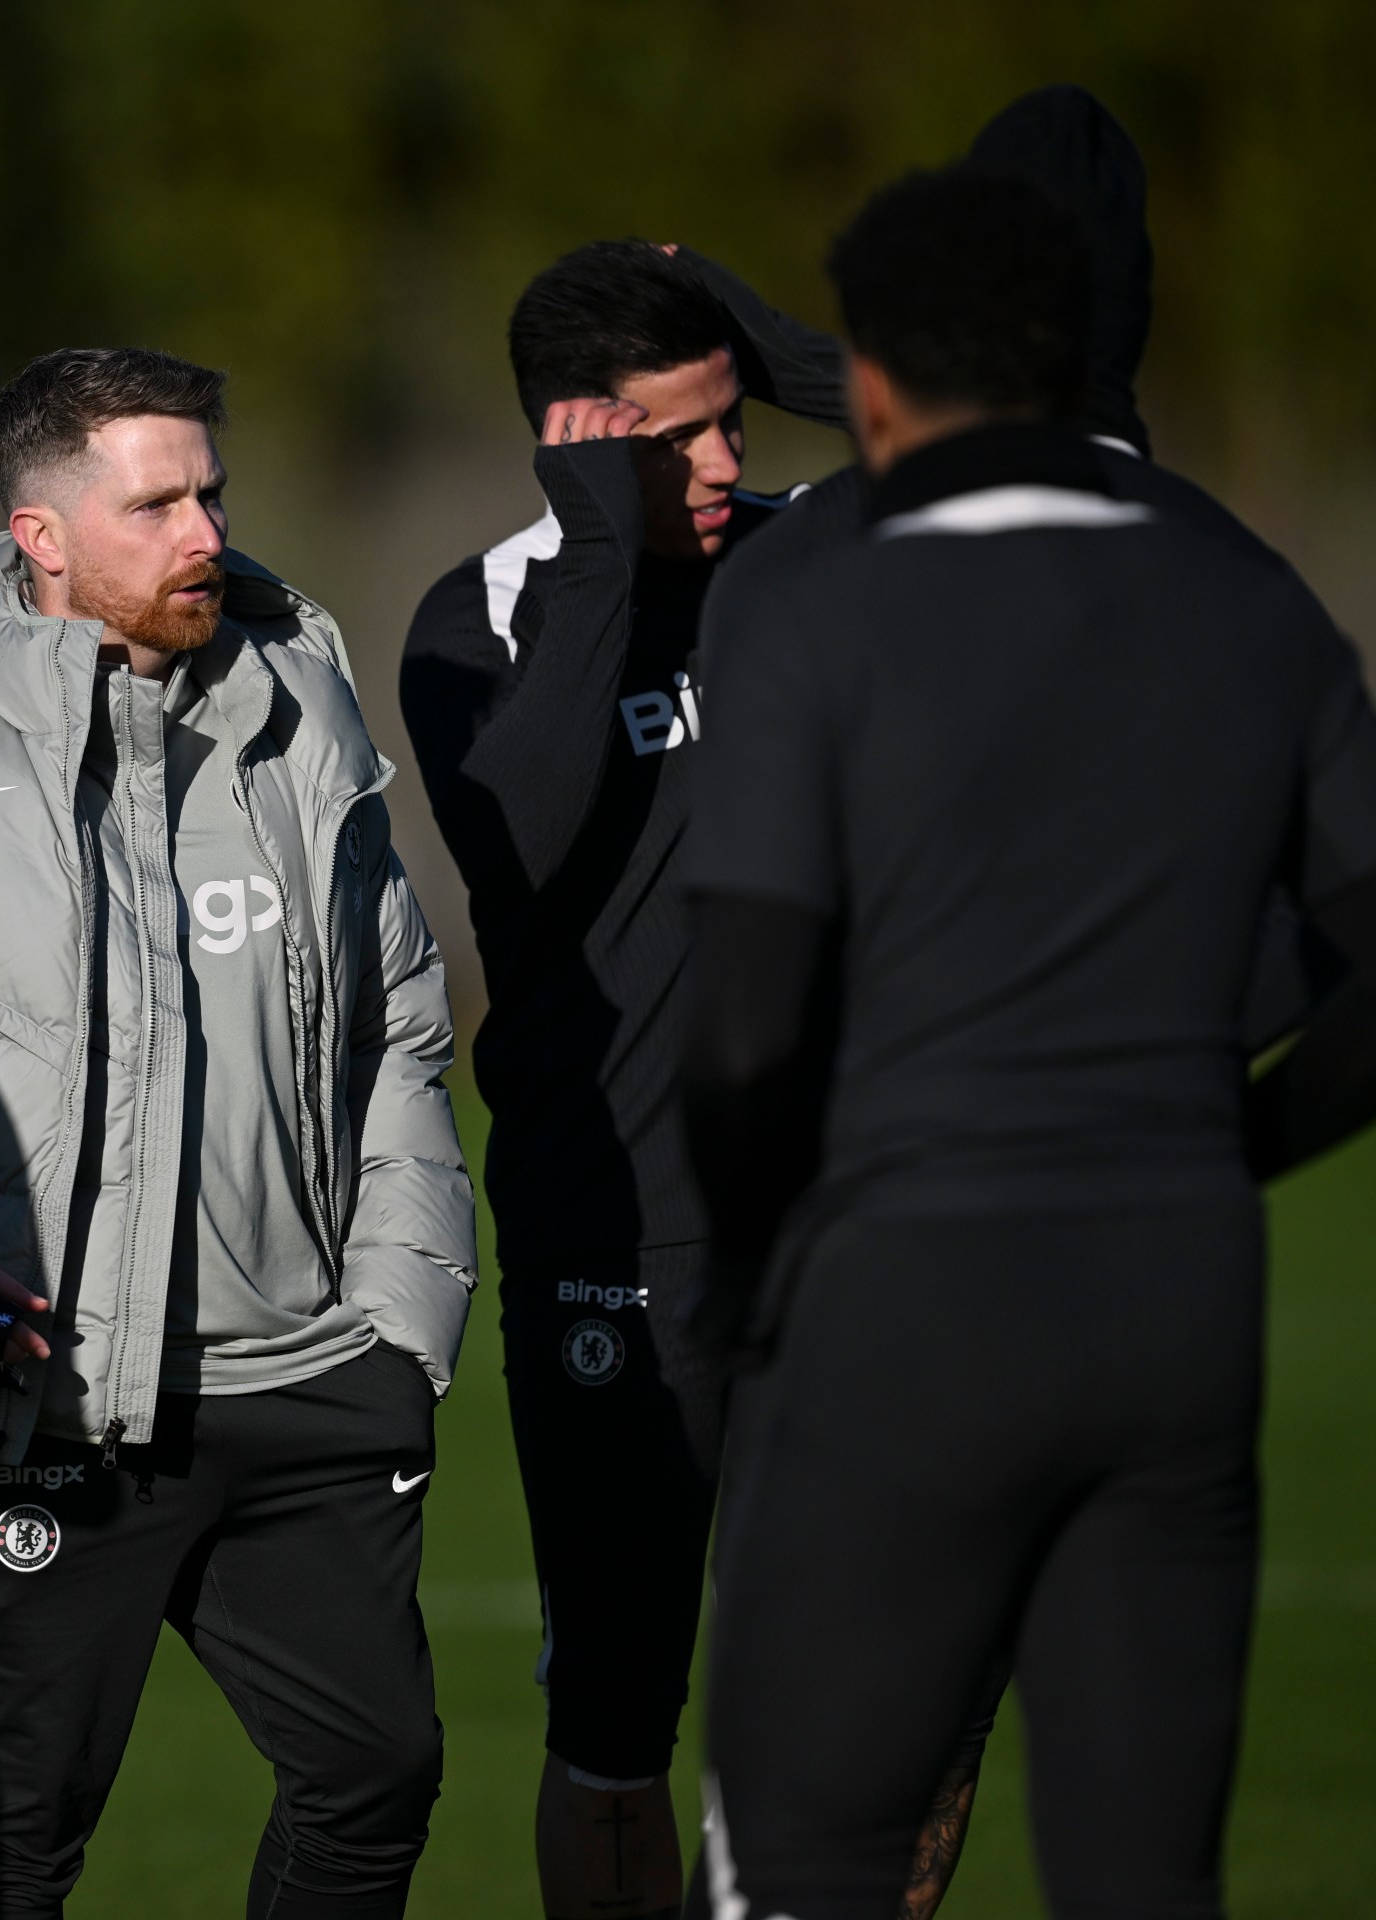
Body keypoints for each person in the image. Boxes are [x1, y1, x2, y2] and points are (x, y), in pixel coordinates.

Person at [682, 164, 1376, 1919]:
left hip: (909, 1291)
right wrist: (1224, 1150)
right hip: (1176, 1298)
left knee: (804, 1860)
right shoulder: (1247, 595)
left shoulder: (812, 603)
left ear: (867, 384)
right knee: (1144, 1877)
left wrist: (760, 1278)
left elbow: (746, 1025)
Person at [0, 346, 477, 1918]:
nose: (206, 534)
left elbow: (396, 1022)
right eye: (156, 505)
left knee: (376, 1781)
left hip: (309, 1382)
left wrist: (400, 1315)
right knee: (11, 1849)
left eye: (211, 494)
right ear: (40, 538)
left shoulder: (300, 719)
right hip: (43, 1401)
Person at [396, 239, 848, 1917]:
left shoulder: (815, 557)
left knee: (867, 1720)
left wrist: (763, 330)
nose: (725, 462)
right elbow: (517, 837)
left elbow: (1021, 433)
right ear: (577, 442)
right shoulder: (480, 620)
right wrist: (599, 549)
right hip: (613, 1238)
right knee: (613, 1739)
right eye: (677, 437)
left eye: (737, 419)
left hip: (848, 1233)